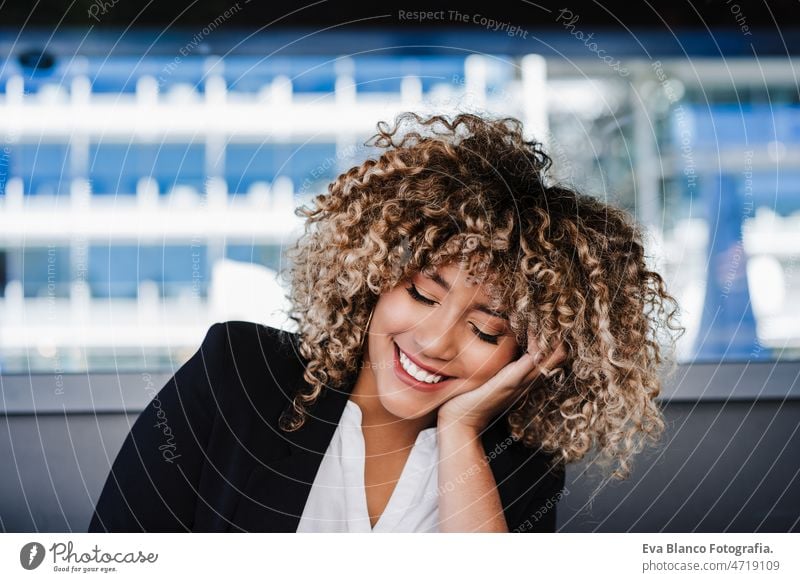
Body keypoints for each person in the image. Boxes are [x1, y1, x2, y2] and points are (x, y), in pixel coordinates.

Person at [88, 112, 682, 533]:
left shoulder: (516, 463)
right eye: (423, 293)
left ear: (532, 349)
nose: (433, 341)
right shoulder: (239, 373)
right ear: (376, 275)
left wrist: (460, 428)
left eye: (486, 330)